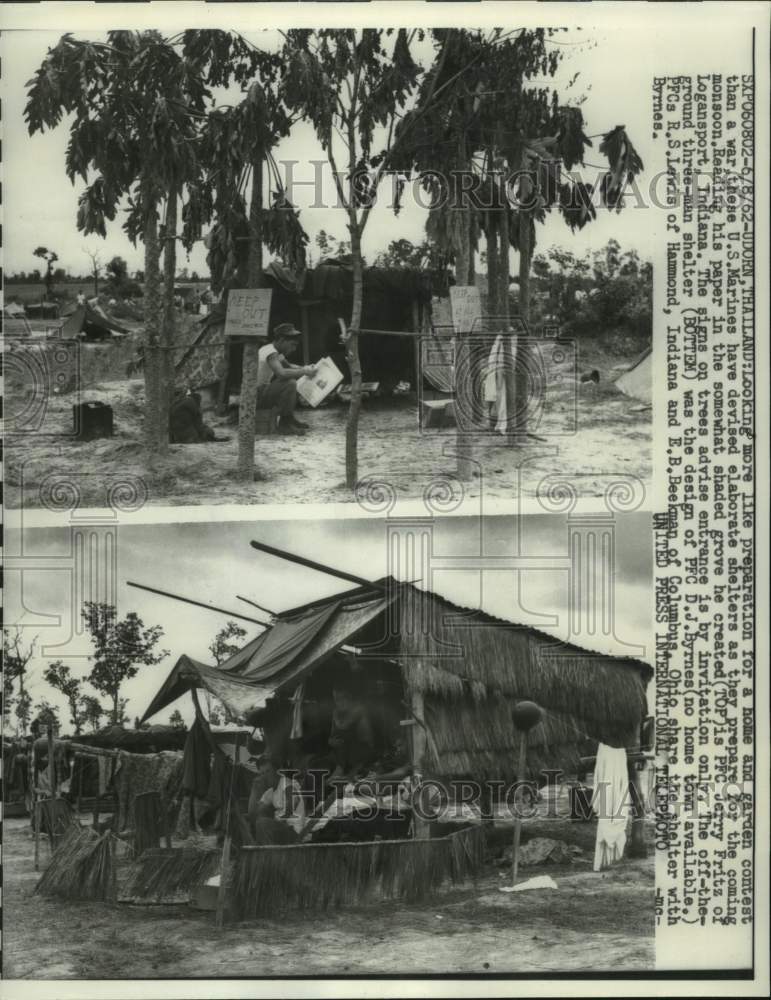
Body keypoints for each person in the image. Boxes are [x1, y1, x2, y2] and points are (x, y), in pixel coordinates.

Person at [256, 322, 317, 436]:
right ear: (282, 340)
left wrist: (305, 367)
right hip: (257, 395)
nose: (293, 349)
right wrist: (305, 372)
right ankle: (284, 424)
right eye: (292, 345)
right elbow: (282, 373)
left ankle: (289, 418)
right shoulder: (271, 352)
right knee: (290, 383)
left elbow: (288, 366)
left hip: (262, 392)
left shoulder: (274, 350)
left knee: (292, 379)